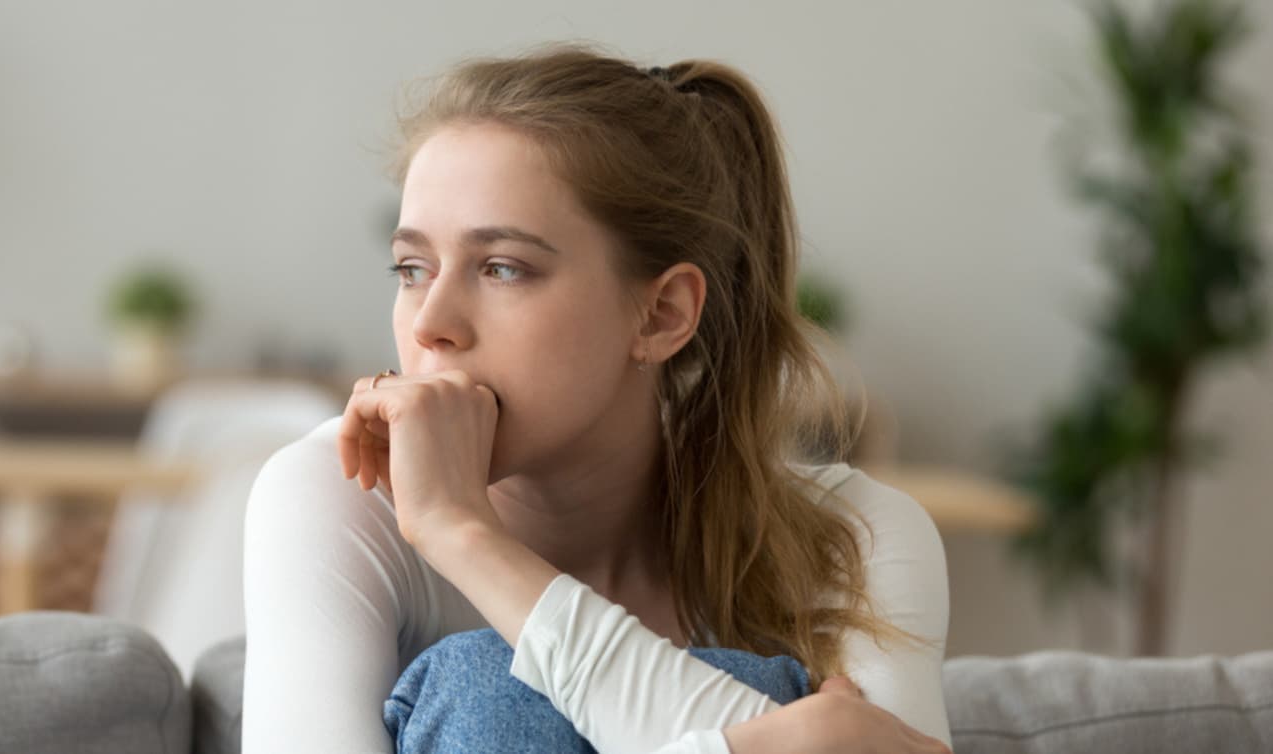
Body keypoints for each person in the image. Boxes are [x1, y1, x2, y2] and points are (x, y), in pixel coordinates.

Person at [243, 43, 954, 754]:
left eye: (502, 268)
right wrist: (762, 745)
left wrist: (469, 537)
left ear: (662, 314)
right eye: (412, 268)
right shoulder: (335, 494)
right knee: (485, 691)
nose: (430, 323)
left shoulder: (855, 540)